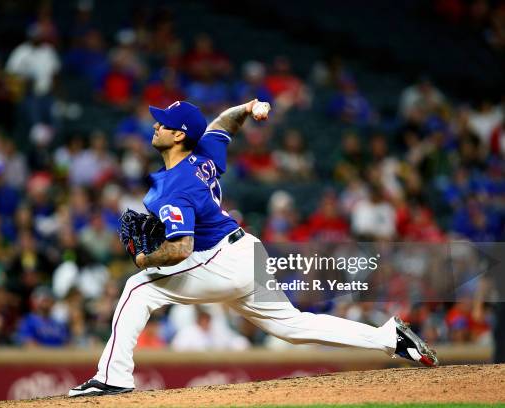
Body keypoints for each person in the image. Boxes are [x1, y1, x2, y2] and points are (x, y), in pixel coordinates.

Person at [69, 100, 438, 397]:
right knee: (292, 326)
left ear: (180, 135)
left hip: (221, 260)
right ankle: (388, 337)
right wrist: (247, 109)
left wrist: (143, 258)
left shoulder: (173, 187)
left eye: (163, 123)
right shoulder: (203, 155)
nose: (155, 126)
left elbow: (182, 248)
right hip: (244, 251)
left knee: (139, 286)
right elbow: (223, 124)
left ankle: (113, 376)